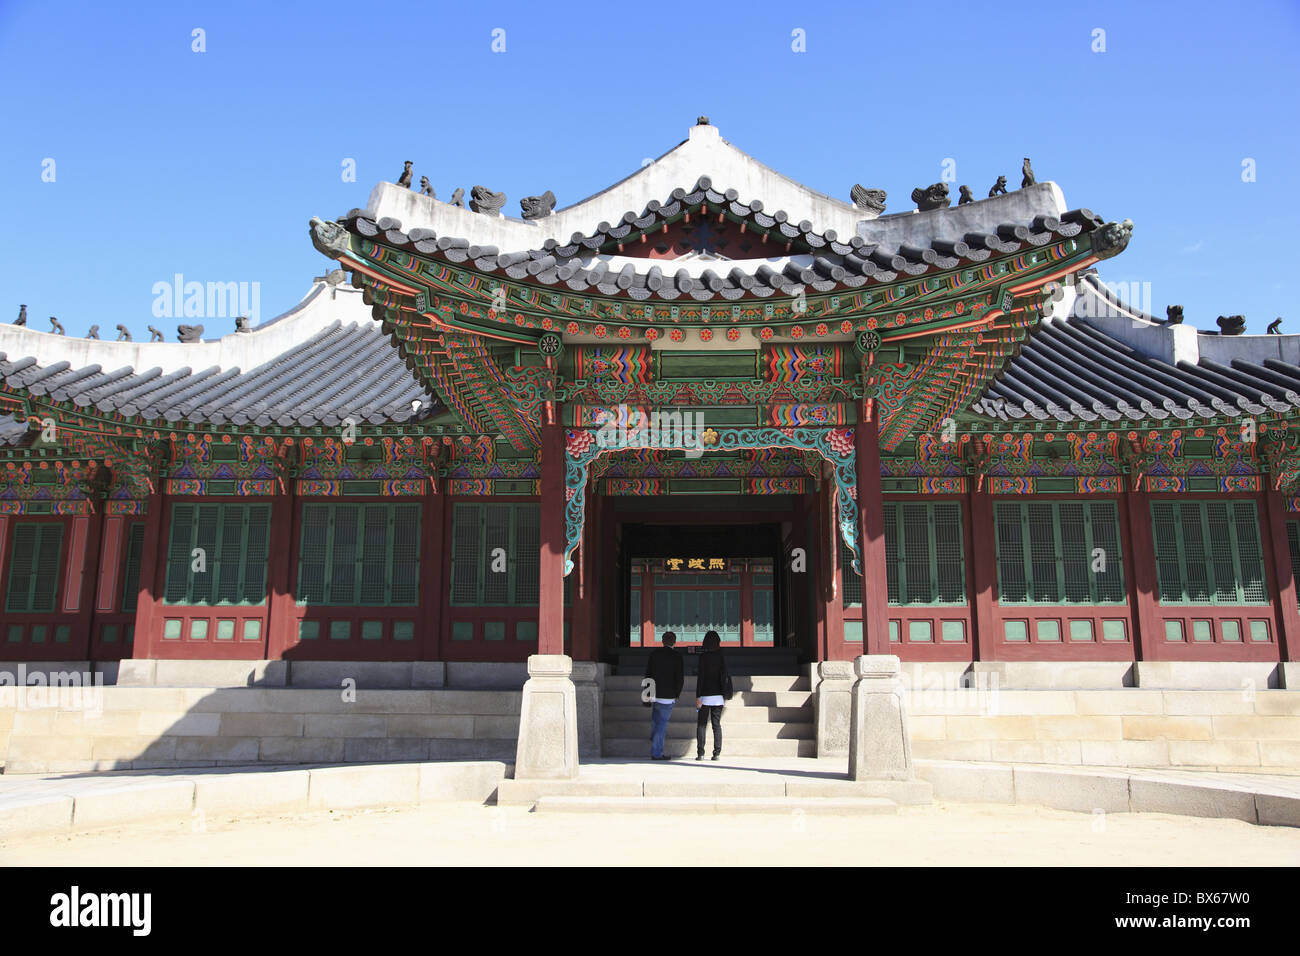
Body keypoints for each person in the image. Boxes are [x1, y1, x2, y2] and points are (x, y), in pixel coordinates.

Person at [644, 630, 684, 760]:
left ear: (662, 641)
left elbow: (648, 674)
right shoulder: (677, 656)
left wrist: (647, 693)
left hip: (654, 693)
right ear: (674, 642)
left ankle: (654, 738)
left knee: (656, 720)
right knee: (662, 724)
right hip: (668, 695)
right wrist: (677, 693)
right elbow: (679, 678)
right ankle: (657, 752)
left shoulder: (654, 654)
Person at [694, 630, 731, 761]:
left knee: (702, 724)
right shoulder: (721, 656)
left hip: (705, 695)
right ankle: (717, 753)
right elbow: (725, 675)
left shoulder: (703, 657)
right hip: (718, 696)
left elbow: (701, 678)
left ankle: (700, 753)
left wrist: (698, 696)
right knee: (716, 724)